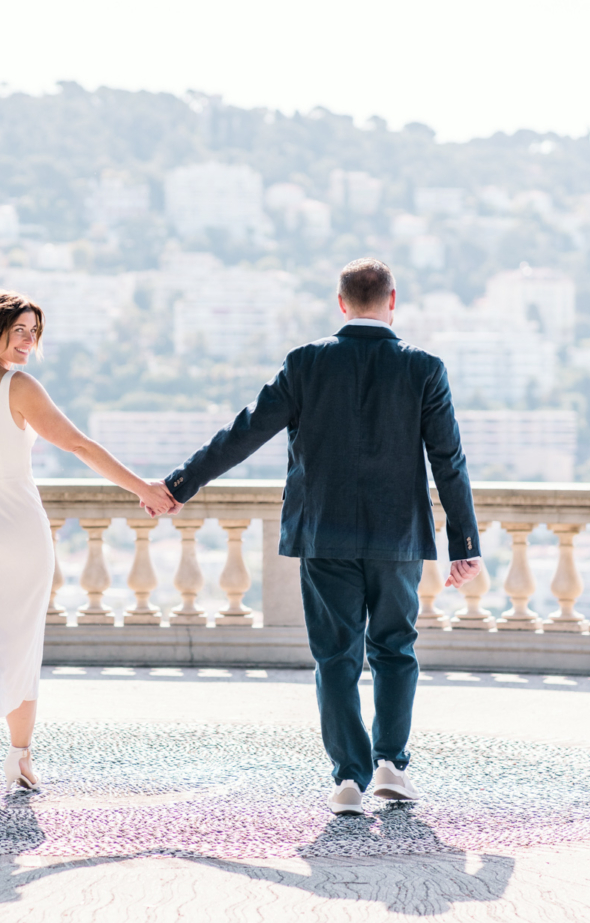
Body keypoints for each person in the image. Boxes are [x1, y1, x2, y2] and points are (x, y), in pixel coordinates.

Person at [157, 258, 481, 815]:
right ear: (393, 301)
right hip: (396, 537)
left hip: (323, 534)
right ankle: (390, 766)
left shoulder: (305, 363)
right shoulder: (425, 369)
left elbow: (245, 432)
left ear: (341, 303)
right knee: (395, 649)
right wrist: (465, 546)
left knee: (336, 658)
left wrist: (179, 484)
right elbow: (448, 460)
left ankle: (349, 781)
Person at [0, 290, 176, 812]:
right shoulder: (17, 386)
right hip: (15, 527)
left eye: (34, 333)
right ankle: (17, 758)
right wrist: (144, 488)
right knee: (19, 644)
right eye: (19, 330)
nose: (29, 342)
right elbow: (80, 446)